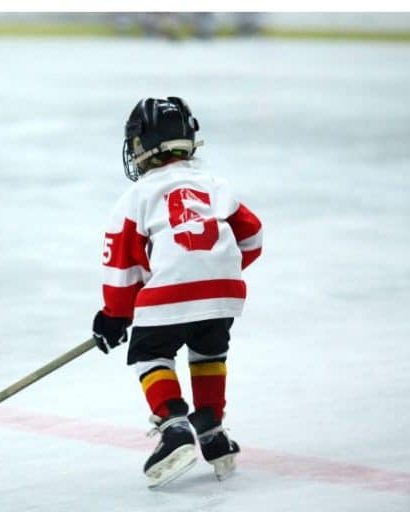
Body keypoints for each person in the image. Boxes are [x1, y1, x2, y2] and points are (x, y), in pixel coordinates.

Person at [91, 97, 263, 489]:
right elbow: (252, 236)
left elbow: (121, 265)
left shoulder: (137, 197)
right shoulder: (215, 185)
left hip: (169, 295)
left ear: (143, 147)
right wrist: (218, 268)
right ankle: (212, 430)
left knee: (151, 352)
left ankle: (174, 428)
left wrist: (115, 316)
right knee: (209, 351)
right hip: (222, 294)